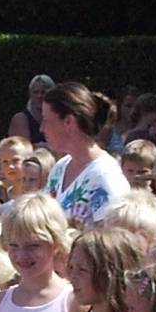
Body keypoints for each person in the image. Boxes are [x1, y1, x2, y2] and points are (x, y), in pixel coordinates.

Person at [43, 83, 129, 229]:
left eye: (46, 120)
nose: (41, 128)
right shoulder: (60, 168)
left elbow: (112, 243)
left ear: (68, 122)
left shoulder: (106, 177)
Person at [9, 74, 55, 145]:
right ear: (30, 94)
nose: (39, 96)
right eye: (36, 92)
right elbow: (22, 148)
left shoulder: (58, 117)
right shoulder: (21, 119)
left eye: (43, 92)